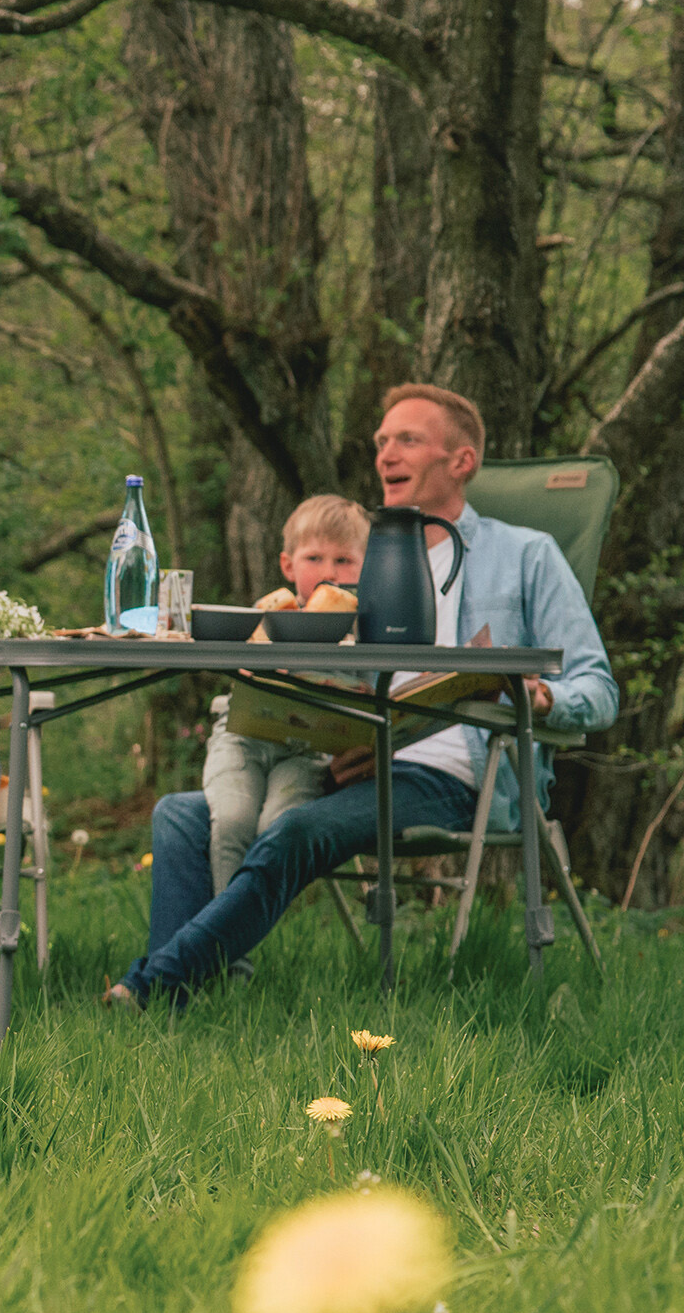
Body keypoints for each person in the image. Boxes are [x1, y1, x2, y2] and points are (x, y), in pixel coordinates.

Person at [108, 384, 616, 1009]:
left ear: (461, 461)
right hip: (343, 755)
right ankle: (185, 1004)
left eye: (407, 440)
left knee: (295, 831)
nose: (385, 455)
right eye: (381, 442)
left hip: (454, 778)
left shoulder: (525, 556)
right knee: (181, 814)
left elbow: (597, 689)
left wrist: (538, 700)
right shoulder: (362, 558)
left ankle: (153, 986)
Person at [201, 494, 370, 896]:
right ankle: (229, 953)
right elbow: (238, 676)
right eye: (314, 559)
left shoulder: (368, 631)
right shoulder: (270, 615)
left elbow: (369, 696)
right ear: (287, 565)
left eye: (344, 560)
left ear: (365, 567)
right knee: (231, 821)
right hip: (242, 738)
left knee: (277, 826)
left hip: (307, 751)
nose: (330, 573)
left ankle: (239, 931)